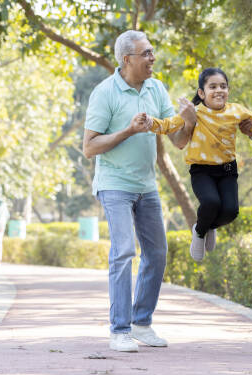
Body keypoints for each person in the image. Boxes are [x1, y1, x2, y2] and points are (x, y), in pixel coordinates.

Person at [82, 30, 196, 353]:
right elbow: (89, 147)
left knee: (157, 254)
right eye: (146, 53)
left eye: (152, 52)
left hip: (147, 186)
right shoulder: (105, 93)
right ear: (126, 59)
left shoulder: (156, 88)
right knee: (123, 251)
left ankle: (141, 323)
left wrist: (188, 121)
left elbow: (178, 141)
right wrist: (128, 130)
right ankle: (119, 329)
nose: (152, 58)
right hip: (114, 184)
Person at [140, 67, 252, 262]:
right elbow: (169, 125)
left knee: (230, 212)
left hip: (227, 171)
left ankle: (206, 226)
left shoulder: (237, 111)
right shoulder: (195, 112)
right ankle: (200, 232)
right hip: (202, 171)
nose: (219, 90)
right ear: (201, 93)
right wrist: (150, 122)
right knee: (211, 203)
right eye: (213, 87)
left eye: (223, 86)